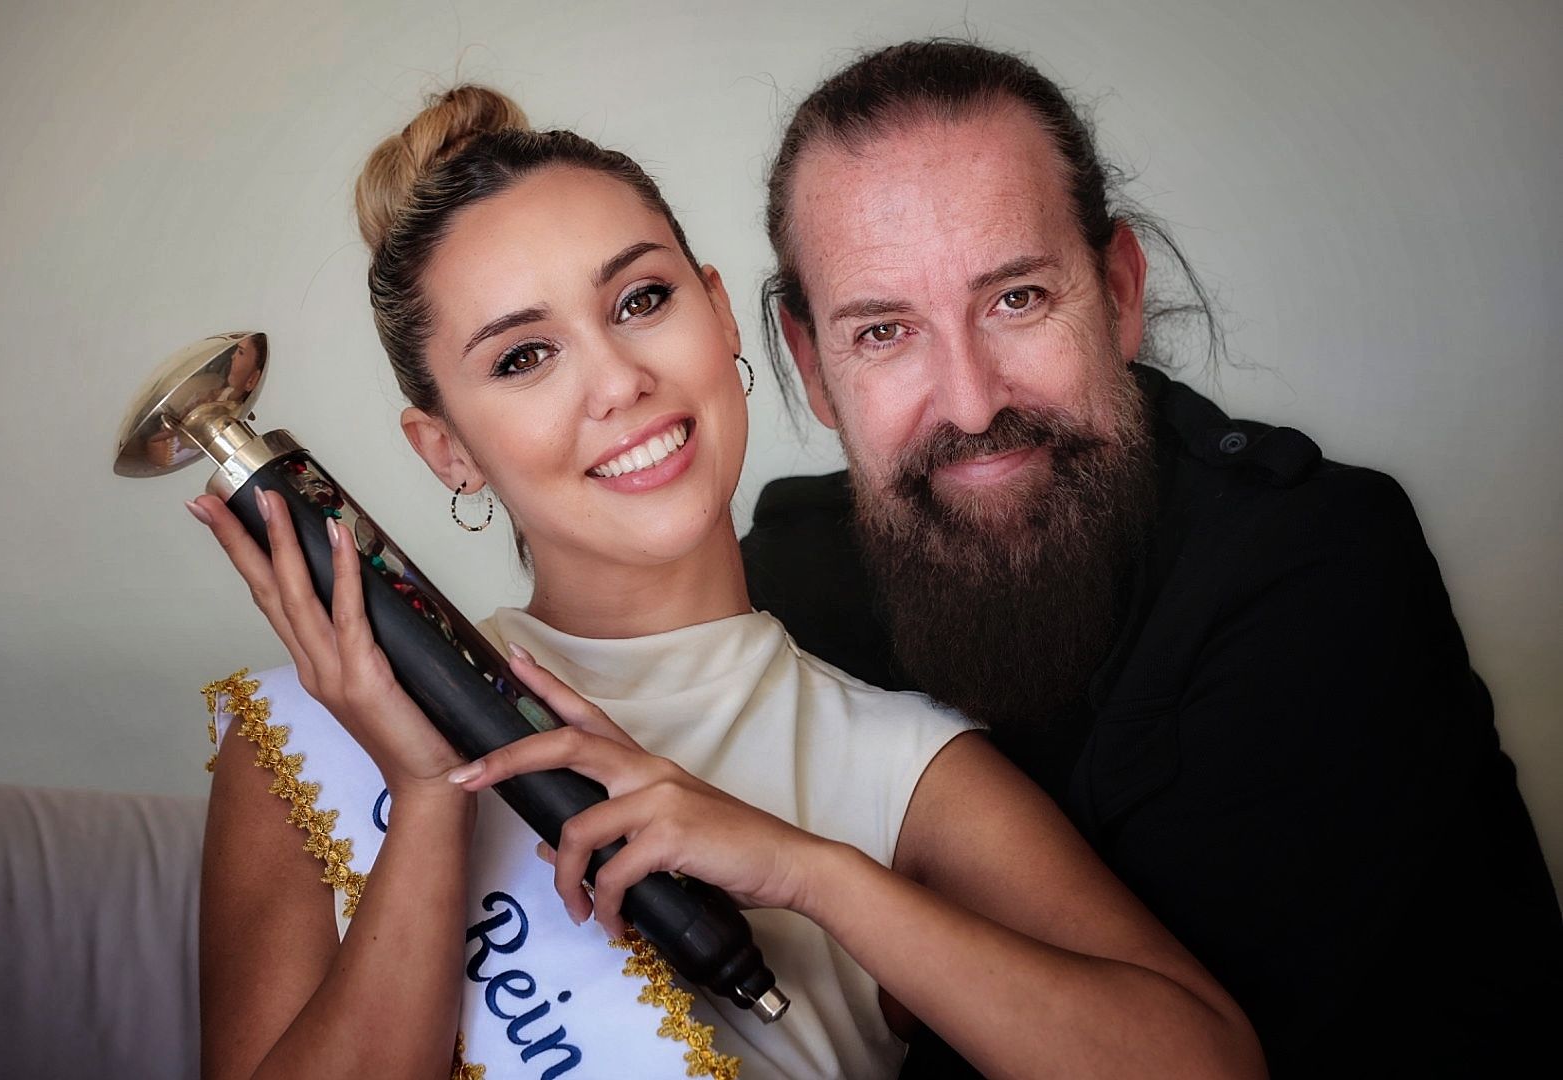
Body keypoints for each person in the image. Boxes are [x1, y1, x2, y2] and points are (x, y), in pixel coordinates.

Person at [187, 86, 1266, 1080]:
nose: (619, 381)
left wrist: (815, 876)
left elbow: (1208, 1063)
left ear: (717, 312)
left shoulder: (905, 775)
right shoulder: (322, 732)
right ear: (448, 451)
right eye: (523, 358)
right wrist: (427, 802)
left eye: (642, 299)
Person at [740, 39, 1563, 1078]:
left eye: (1018, 299)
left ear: (1119, 290)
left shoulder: (1319, 571)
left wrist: (843, 901)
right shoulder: (789, 577)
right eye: (885, 332)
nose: (972, 400)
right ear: (814, 366)